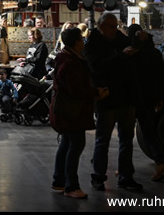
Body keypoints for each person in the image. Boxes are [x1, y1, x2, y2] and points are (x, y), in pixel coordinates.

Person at [84, 12, 142, 192]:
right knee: (103, 139)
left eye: (116, 26)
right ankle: (98, 176)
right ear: (102, 27)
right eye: (111, 27)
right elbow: (97, 68)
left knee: (126, 139)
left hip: (125, 96)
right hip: (107, 98)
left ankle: (126, 176)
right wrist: (121, 57)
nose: (114, 30)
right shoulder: (92, 44)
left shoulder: (119, 39)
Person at [51, 27, 105, 199]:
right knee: (76, 145)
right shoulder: (72, 62)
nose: (84, 42)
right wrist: (96, 92)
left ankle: (59, 181)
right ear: (76, 42)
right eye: (81, 39)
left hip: (65, 109)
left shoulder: (63, 57)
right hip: (73, 111)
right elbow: (76, 89)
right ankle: (71, 186)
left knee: (66, 144)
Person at [128, 23, 164, 182]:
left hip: (132, 99)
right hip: (149, 99)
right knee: (149, 132)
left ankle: (126, 168)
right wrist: (160, 98)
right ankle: (162, 162)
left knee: (127, 135)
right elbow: (161, 78)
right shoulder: (154, 53)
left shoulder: (131, 54)